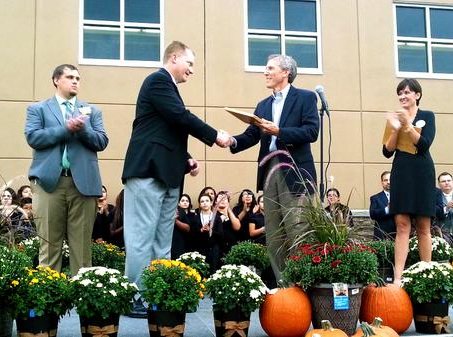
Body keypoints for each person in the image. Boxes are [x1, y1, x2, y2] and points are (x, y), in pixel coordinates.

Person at [121, 41, 230, 318]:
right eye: (189, 63)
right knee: (141, 237)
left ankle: (157, 294)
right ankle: (135, 296)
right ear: (173, 58)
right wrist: (214, 134)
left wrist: (186, 159)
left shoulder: (168, 89)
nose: (192, 71)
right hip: (147, 172)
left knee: (161, 240)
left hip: (167, 175)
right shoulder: (157, 81)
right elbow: (179, 117)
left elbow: (166, 130)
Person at [227, 54, 319, 281]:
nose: (265, 72)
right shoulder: (263, 105)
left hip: (296, 174)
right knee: (275, 234)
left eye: (270, 68)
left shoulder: (306, 98)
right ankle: (284, 287)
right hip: (270, 172)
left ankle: (303, 285)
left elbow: (311, 132)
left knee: (298, 230)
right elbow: (251, 136)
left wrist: (279, 131)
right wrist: (232, 141)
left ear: (285, 72)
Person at [25, 63, 108, 275]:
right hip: (49, 184)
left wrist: (83, 130)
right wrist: (65, 128)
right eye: (70, 77)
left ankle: (82, 300)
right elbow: (33, 137)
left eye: (78, 78)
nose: (75, 81)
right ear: (56, 80)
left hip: (82, 185)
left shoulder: (91, 111)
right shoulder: (38, 109)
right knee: (49, 245)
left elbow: (101, 141)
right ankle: (49, 299)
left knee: (81, 248)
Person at [383, 78, 436, 286]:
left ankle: (427, 273)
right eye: (400, 93)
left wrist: (407, 125)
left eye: (407, 92)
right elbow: (387, 152)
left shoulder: (427, 116)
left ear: (417, 95)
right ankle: (398, 278)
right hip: (401, 171)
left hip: (422, 171)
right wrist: (396, 128)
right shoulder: (393, 118)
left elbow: (423, 145)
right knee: (402, 224)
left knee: (423, 225)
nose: (403, 96)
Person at [369, 171, 395, 239]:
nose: (388, 182)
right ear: (382, 182)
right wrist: (387, 209)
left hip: (399, 235)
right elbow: (372, 214)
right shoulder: (375, 198)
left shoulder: (401, 197)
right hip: (382, 236)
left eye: (390, 180)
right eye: (385, 180)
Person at [171, 194, 194, 259]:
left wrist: (175, 220)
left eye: (187, 201)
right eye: (183, 200)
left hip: (185, 243)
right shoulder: (175, 210)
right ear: (178, 203)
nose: (185, 202)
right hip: (173, 243)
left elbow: (188, 228)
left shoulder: (192, 214)